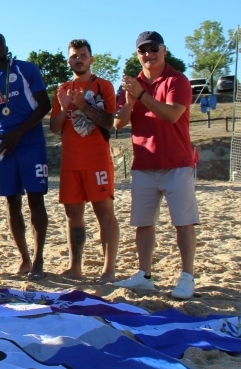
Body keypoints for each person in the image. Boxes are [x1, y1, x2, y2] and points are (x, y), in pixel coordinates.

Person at [113, 31, 198, 299]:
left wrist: (142, 96)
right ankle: (144, 275)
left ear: (164, 50)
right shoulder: (132, 84)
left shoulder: (177, 79)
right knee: (143, 223)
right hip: (144, 165)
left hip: (177, 163)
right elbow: (118, 123)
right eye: (143, 50)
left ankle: (187, 276)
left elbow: (171, 115)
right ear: (137, 54)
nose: (148, 54)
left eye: (153, 49)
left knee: (183, 223)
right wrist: (130, 102)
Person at [0, 32, 51, 279]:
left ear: (6, 47)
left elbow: (45, 105)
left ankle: (39, 260)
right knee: (12, 203)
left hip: (30, 143)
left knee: (36, 200)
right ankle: (24, 259)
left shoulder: (26, 69)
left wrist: (18, 133)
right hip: (6, 148)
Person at [50, 39, 119, 282]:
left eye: (82, 55)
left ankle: (108, 270)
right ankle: (75, 267)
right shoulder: (62, 89)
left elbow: (109, 123)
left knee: (104, 213)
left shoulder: (104, 86)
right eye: (74, 56)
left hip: (96, 159)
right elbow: (54, 128)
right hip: (71, 162)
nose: (78, 59)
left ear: (91, 58)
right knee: (73, 215)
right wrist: (63, 107)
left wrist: (83, 106)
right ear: (68, 60)